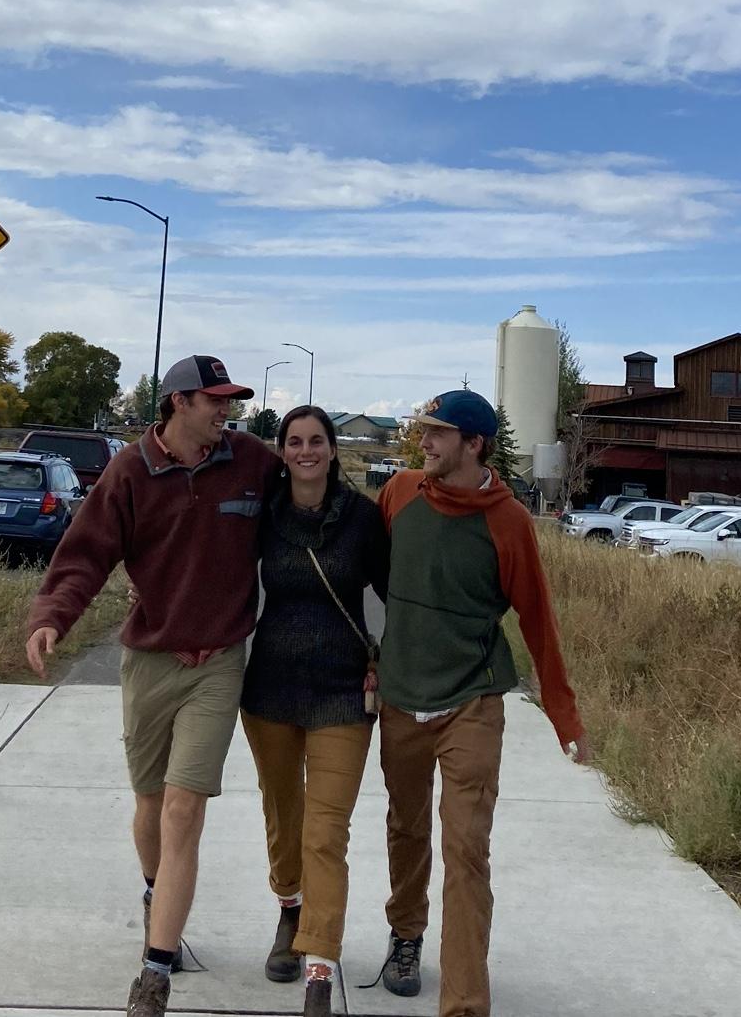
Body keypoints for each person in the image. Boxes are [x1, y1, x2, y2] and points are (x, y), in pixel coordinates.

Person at [24, 354, 279, 1017]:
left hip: (217, 662)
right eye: (214, 401)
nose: (226, 412)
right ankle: (154, 892)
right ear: (177, 403)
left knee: (182, 809)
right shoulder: (130, 473)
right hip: (150, 660)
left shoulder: (251, 460)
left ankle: (154, 974)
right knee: (148, 808)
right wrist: (53, 617)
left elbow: (311, 496)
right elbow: (85, 554)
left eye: (229, 401)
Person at [374, 389, 590, 1017]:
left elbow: (538, 621)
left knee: (466, 847)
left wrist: (564, 714)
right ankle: (406, 934)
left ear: (474, 444)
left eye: (438, 433)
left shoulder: (509, 521)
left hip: (471, 699)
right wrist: (366, 658)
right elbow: (368, 579)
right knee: (406, 827)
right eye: (424, 431)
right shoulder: (400, 494)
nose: (425, 443)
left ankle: (464, 1003)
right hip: (401, 693)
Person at [239, 406, 389, 1017]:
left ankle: (320, 965)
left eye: (316, 441)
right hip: (270, 687)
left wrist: (387, 659)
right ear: (282, 451)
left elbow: (394, 592)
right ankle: (289, 910)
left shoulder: (361, 518)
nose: (305, 451)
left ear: (332, 450)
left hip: (342, 692)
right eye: (294, 442)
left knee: (326, 831)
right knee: (284, 815)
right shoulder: (263, 516)